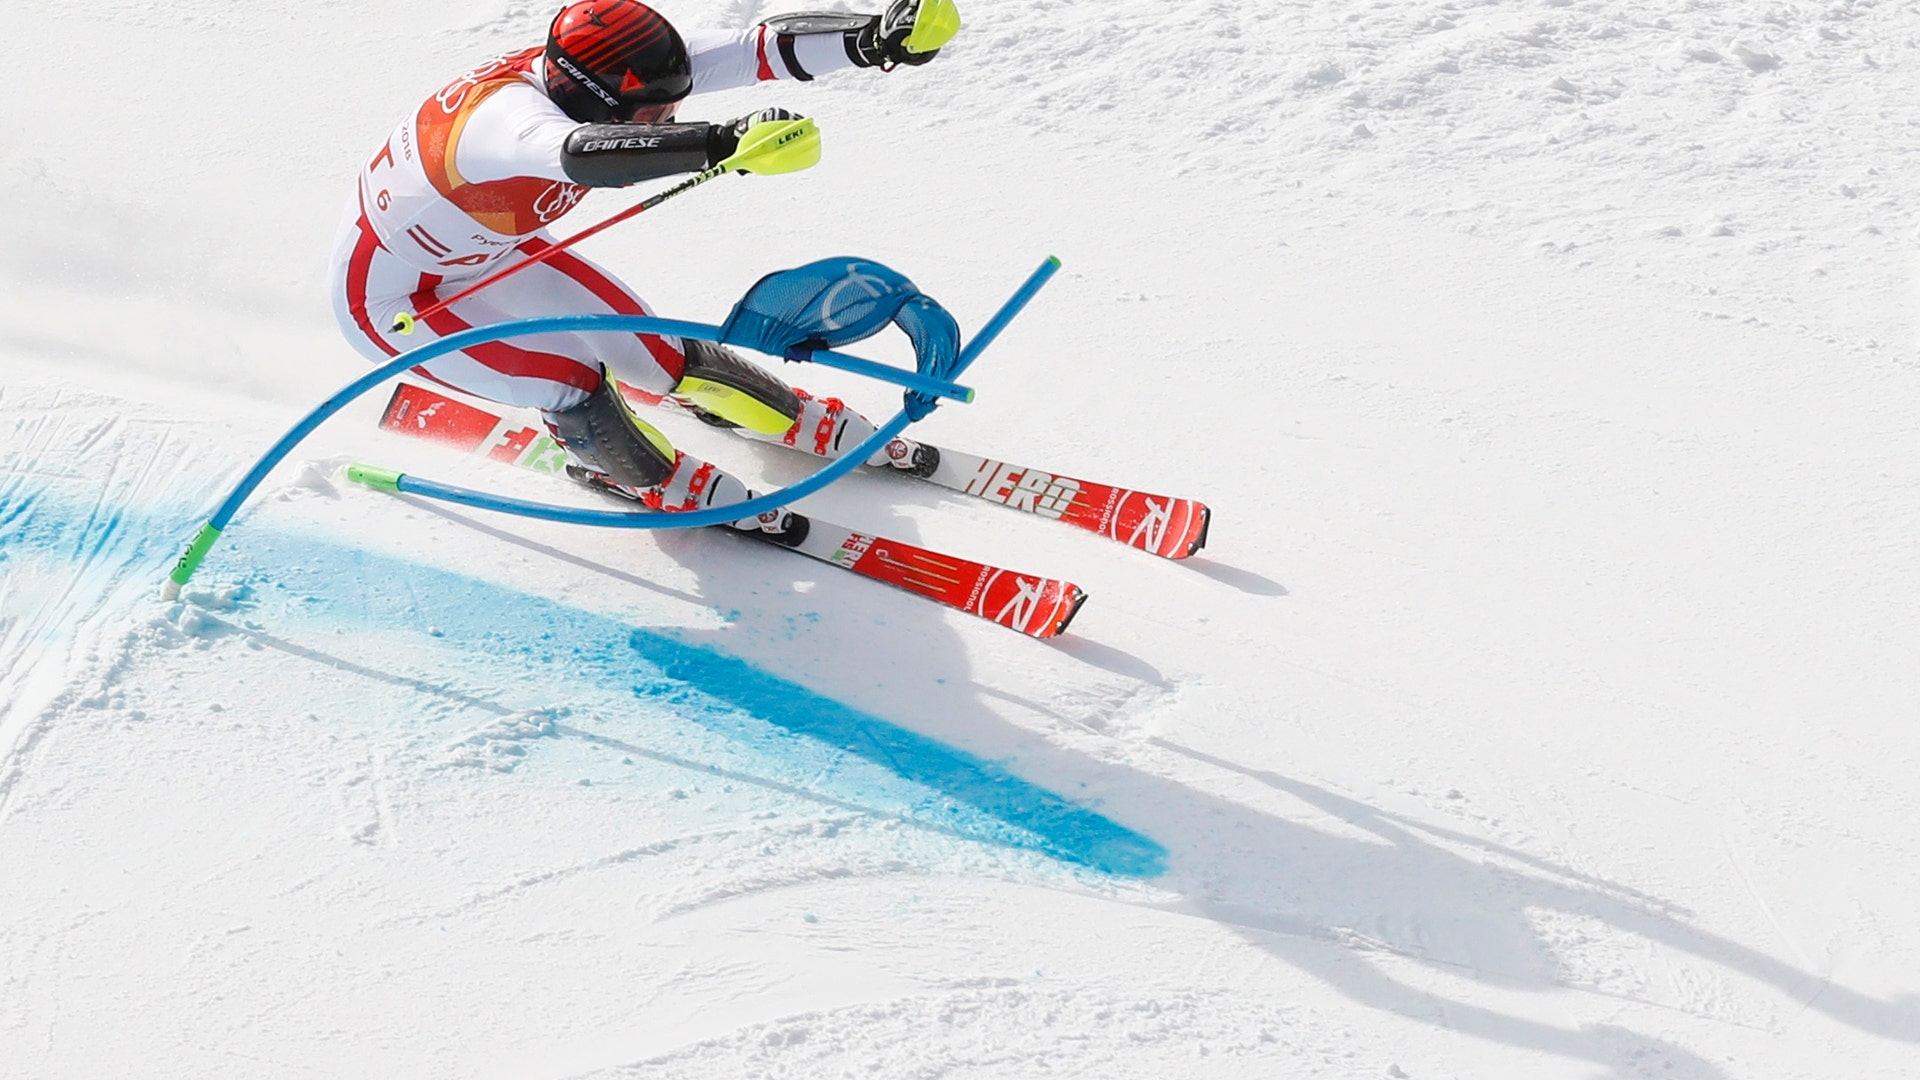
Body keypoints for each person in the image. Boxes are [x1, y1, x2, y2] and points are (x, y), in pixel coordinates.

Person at [328, 0, 957, 542]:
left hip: (494, 256)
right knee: (572, 380)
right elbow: (581, 155)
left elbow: (750, 50)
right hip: (395, 301)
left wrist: (874, 37)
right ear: (592, 99)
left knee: (659, 358)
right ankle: (640, 475)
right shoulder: (502, 121)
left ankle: (772, 408)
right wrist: (719, 144)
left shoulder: (601, 78)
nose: (668, 122)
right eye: (655, 118)